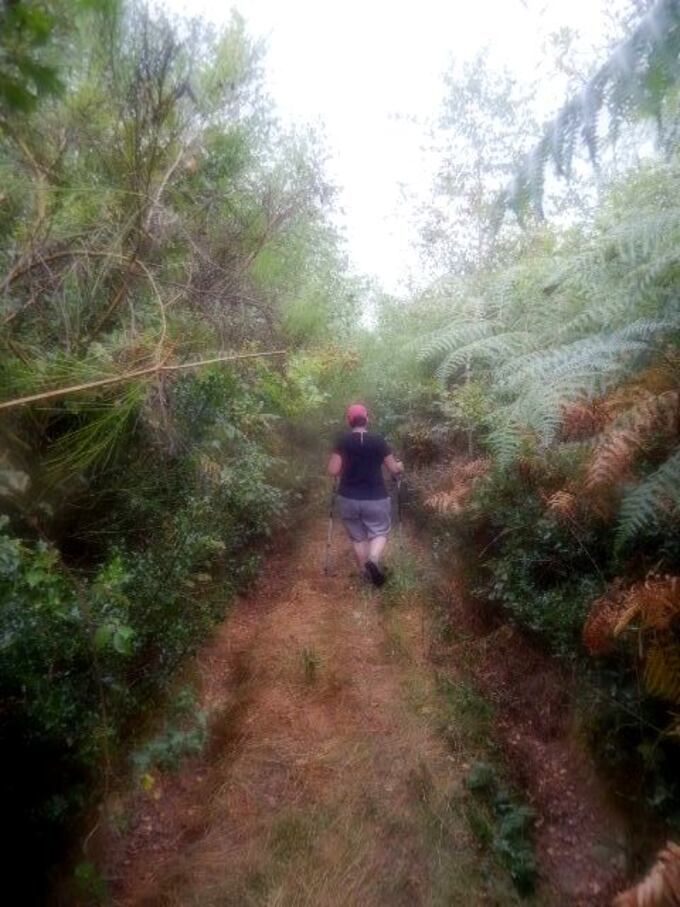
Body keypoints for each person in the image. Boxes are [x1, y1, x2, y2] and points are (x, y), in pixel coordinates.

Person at [327, 403, 404, 586]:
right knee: (380, 532)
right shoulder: (378, 440)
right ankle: (374, 559)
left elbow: (332, 470)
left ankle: (364, 574)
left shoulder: (342, 441)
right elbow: (394, 469)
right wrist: (400, 466)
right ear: (367, 419)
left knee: (358, 536)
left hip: (348, 498)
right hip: (375, 497)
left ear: (349, 421)